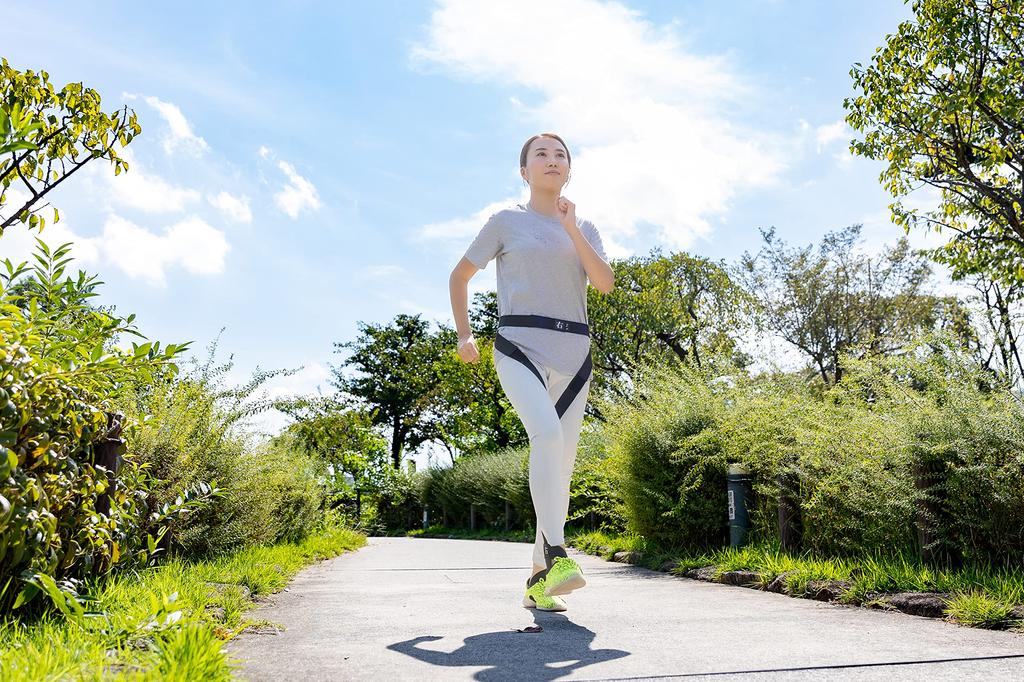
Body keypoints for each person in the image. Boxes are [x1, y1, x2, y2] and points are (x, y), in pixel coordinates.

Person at [448, 132, 614, 612]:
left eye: (560, 155)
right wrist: (464, 334)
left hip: (575, 355)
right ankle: (559, 554)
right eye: (541, 154)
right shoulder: (506, 221)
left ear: (569, 170)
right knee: (546, 435)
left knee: (561, 468)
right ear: (524, 171)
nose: (551, 159)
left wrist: (573, 229)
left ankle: (538, 581)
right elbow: (459, 276)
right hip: (519, 346)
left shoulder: (585, 227)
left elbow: (604, 284)